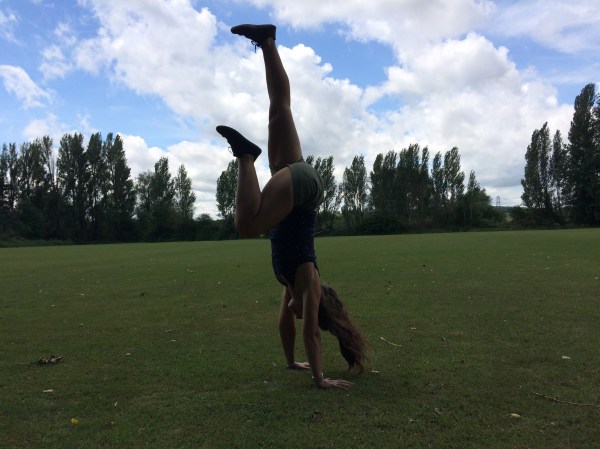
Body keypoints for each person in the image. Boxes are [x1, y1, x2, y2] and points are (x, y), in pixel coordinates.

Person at [217, 24, 367, 389]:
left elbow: (285, 324)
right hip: (302, 190)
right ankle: (246, 157)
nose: (294, 313)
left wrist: (290, 362)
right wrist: (320, 379)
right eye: (303, 314)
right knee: (247, 224)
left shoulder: (289, 283)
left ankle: (266, 41)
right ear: (316, 308)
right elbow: (311, 334)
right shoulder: (308, 281)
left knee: (279, 109)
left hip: (296, 185)